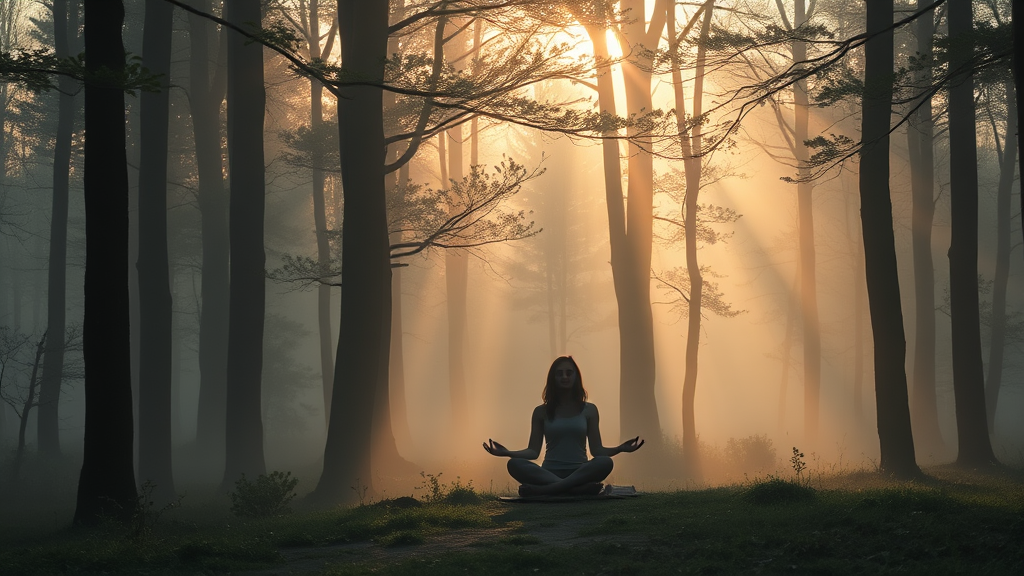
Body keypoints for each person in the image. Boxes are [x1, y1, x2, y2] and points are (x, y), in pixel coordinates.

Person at [483, 356, 644, 496]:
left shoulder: (589, 410)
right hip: (548, 472)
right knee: (513, 464)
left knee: (605, 462)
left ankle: (547, 490)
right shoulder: (541, 412)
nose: (564, 377)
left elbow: (597, 450)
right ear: (553, 378)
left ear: (576, 377)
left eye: (569, 373)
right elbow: (533, 451)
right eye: (559, 373)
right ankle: (574, 489)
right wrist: (506, 453)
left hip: (580, 472)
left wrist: (620, 448)